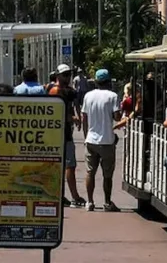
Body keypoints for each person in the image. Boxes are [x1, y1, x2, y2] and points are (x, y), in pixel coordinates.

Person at [81, 69, 122, 212]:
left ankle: (90, 202)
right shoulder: (113, 96)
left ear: (96, 82)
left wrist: (86, 136)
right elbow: (117, 117)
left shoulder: (88, 96)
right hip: (107, 141)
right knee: (107, 175)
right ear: (109, 81)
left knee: (90, 172)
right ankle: (107, 202)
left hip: (91, 140)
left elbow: (84, 118)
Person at [49, 65, 85, 207]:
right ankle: (74, 196)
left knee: (62, 166)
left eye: (69, 74)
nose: (67, 77)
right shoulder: (56, 91)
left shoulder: (63, 90)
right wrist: (73, 118)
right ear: (57, 76)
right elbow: (58, 113)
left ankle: (60, 195)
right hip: (61, 134)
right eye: (64, 75)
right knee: (69, 166)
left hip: (61, 134)